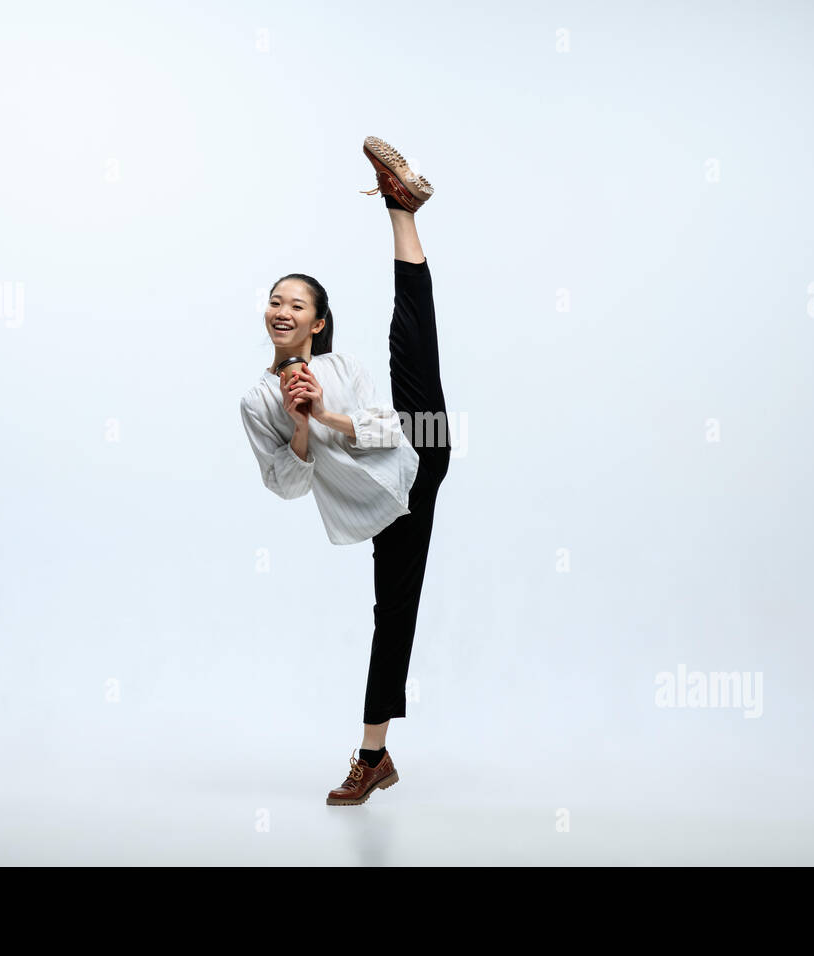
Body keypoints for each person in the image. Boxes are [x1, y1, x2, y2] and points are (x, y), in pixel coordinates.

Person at [238, 136, 451, 806]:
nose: (282, 310)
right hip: (384, 508)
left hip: (419, 449)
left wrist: (327, 415)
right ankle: (374, 757)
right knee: (394, 616)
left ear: (317, 322)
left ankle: (401, 208)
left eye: (296, 304)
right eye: (276, 300)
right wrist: (299, 426)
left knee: (409, 339)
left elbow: (388, 428)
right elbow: (286, 483)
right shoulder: (256, 399)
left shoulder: (339, 370)